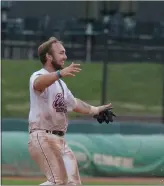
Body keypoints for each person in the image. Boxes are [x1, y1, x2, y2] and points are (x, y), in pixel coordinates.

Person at [28, 37, 115, 185]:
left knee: (73, 184)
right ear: (49, 56)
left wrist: (96, 110)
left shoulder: (61, 85)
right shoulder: (39, 75)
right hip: (43, 136)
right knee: (59, 181)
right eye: (61, 53)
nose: (65, 57)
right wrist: (59, 74)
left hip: (60, 141)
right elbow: (38, 84)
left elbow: (74, 103)